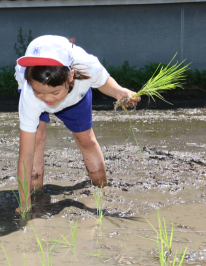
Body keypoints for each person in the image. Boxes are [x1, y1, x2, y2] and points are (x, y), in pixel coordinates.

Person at [15, 35, 140, 211]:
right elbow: (25, 155)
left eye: (55, 93)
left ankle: (101, 190)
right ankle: (35, 195)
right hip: (34, 100)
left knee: (85, 139)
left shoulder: (87, 66)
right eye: (40, 92)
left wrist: (119, 91)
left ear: (71, 76)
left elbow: (103, 82)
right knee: (36, 140)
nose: (48, 99)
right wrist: (23, 203)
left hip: (75, 98)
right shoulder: (31, 95)